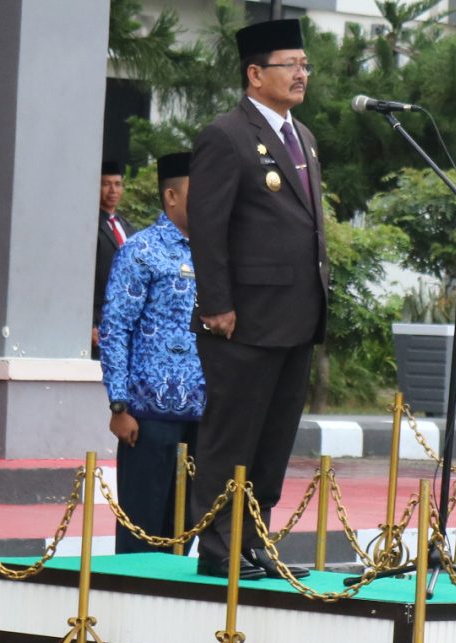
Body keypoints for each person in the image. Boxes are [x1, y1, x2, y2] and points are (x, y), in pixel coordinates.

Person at [187, 18, 327, 580]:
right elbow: (208, 226)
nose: (301, 74)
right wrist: (216, 303)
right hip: (242, 318)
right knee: (232, 435)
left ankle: (254, 536)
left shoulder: (304, 137)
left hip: (297, 315)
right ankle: (219, 546)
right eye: (290, 65)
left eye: (304, 65)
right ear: (254, 73)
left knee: (272, 440)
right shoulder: (227, 135)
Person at [99, 152, 205, 555]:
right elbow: (115, 329)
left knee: (187, 528)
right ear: (172, 196)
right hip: (147, 415)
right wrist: (119, 404)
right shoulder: (141, 250)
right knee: (142, 531)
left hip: (203, 415)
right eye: (200, 192)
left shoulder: (218, 254)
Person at [93, 159, 135, 359]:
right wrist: (91, 323)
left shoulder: (128, 227)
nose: (112, 190)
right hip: (101, 319)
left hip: (128, 320)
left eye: (117, 184)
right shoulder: (91, 226)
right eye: (106, 184)